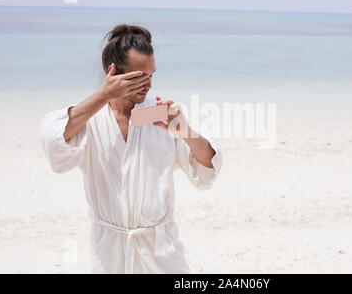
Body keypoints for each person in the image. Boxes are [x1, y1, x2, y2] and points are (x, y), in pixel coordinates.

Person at [40, 24, 222, 274]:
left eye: (152, 75)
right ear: (112, 72)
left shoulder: (157, 113)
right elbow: (53, 142)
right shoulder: (91, 119)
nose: (148, 85)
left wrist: (185, 131)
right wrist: (102, 96)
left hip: (161, 253)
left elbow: (207, 169)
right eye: (139, 77)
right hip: (109, 254)